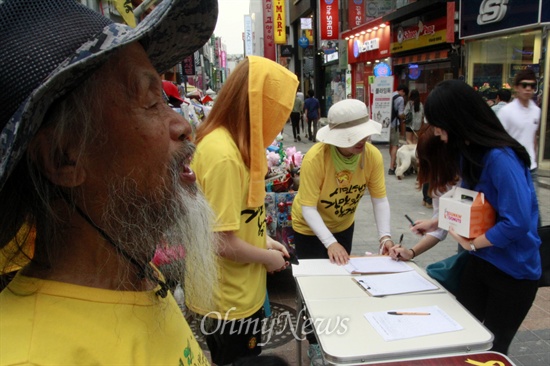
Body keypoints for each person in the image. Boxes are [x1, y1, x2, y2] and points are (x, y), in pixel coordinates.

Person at [0, 0, 219, 364]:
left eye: (165, 100)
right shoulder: (30, 354)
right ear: (63, 158)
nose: (183, 126)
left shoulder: (135, 271)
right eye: (150, 103)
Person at [188, 56, 297, 365]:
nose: (279, 119)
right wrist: (268, 257)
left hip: (237, 292)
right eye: (277, 109)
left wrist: (266, 242)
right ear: (257, 104)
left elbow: (234, 223)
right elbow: (219, 242)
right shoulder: (224, 155)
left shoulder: (234, 145)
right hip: (228, 302)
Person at [421, 79, 541, 355]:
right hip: (481, 262)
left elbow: (518, 223)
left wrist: (473, 243)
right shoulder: (469, 153)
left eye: (439, 124)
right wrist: (436, 221)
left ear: (457, 119)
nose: (437, 132)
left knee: (492, 350)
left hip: (513, 271)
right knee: (461, 336)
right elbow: (467, 205)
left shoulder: (501, 158)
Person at [291, 99, 395, 365]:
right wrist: (329, 243)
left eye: (364, 134)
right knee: (315, 290)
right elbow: (308, 207)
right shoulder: (317, 157)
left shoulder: (370, 156)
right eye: (353, 137)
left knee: (339, 282)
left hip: (343, 225)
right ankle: (315, 344)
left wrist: (385, 236)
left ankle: (339, 336)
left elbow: (379, 199)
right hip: (309, 229)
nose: (362, 141)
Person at [390, 126, 458, 261]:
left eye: (426, 160)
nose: (420, 164)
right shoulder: (439, 180)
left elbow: (462, 218)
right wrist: (410, 253)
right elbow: (440, 228)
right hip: (468, 246)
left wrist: (436, 223)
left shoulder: (467, 176)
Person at [497, 69, 541, 206]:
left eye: (532, 86)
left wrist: (535, 158)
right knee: (515, 206)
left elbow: (533, 136)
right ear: (516, 87)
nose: (528, 89)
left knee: (533, 206)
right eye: (524, 85)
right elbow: (498, 140)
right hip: (513, 166)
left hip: (531, 167)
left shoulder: (536, 111)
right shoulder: (506, 112)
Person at [388, 84, 408, 175]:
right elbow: (400, 114)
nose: (403, 96)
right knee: (395, 145)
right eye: (404, 94)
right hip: (394, 125)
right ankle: (392, 167)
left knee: (390, 145)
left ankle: (393, 164)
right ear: (403, 91)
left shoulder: (390, 95)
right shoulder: (400, 99)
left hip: (386, 124)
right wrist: (404, 117)